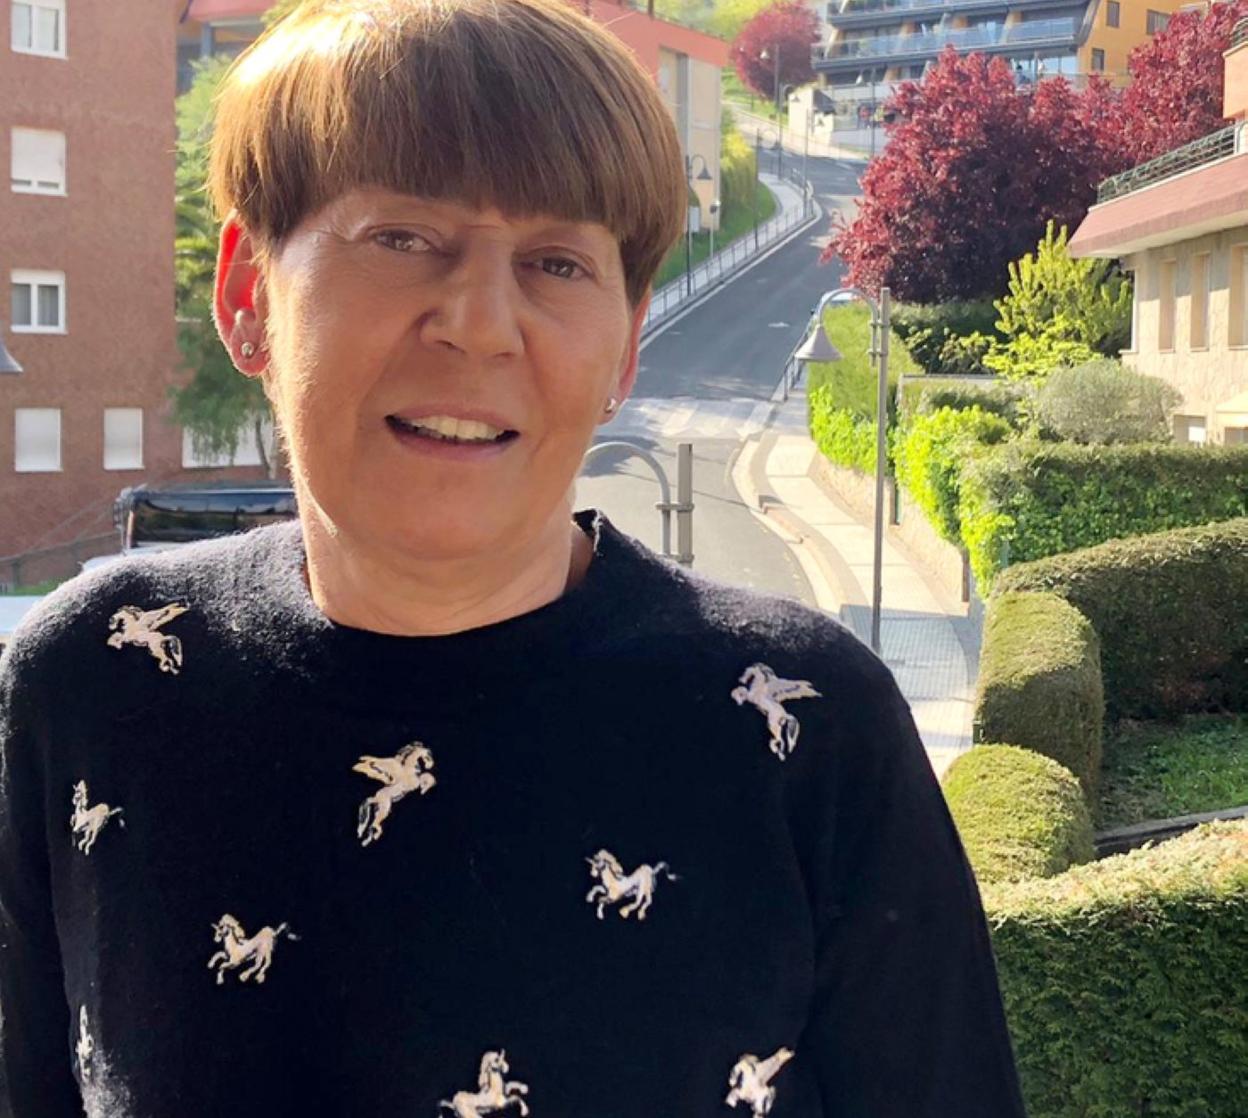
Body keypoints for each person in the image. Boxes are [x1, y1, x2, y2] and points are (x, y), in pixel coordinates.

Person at [0, 1, 1028, 1115]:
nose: (481, 322)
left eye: (555, 262)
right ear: (251, 294)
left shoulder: (813, 730)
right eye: (402, 237)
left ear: (624, 348)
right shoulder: (89, 683)